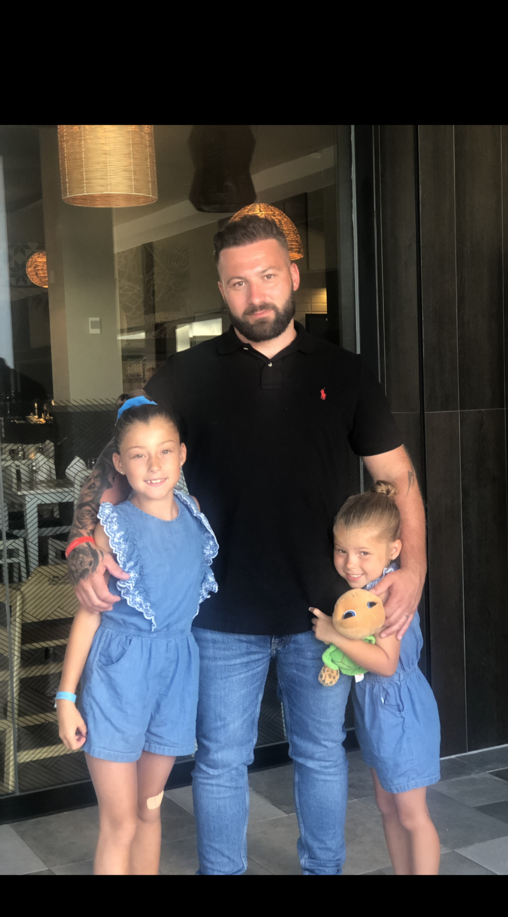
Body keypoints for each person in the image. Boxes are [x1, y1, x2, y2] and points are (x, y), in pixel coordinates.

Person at [67, 214, 427, 876]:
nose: (255, 294)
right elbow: (114, 463)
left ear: (292, 275)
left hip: (326, 610)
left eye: (267, 276)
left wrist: (414, 571)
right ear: (221, 289)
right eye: (237, 283)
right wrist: (81, 545)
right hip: (218, 613)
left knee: (321, 753)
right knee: (220, 760)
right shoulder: (185, 375)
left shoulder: (344, 372)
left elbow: (396, 476)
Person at [56, 396, 218, 875]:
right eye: (139, 455)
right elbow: (90, 616)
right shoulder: (112, 528)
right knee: (121, 822)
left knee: (150, 810)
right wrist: (66, 697)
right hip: (119, 677)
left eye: (164, 451)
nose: (154, 465)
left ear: (182, 455)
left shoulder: (194, 514)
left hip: (176, 675)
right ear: (119, 464)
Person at [310, 481, 440, 875]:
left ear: (393, 550)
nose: (351, 563)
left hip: (401, 710)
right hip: (375, 710)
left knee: (412, 813)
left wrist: (334, 635)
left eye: (364, 553)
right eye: (342, 550)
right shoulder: (363, 590)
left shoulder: (388, 596)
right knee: (387, 806)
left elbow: (385, 663)